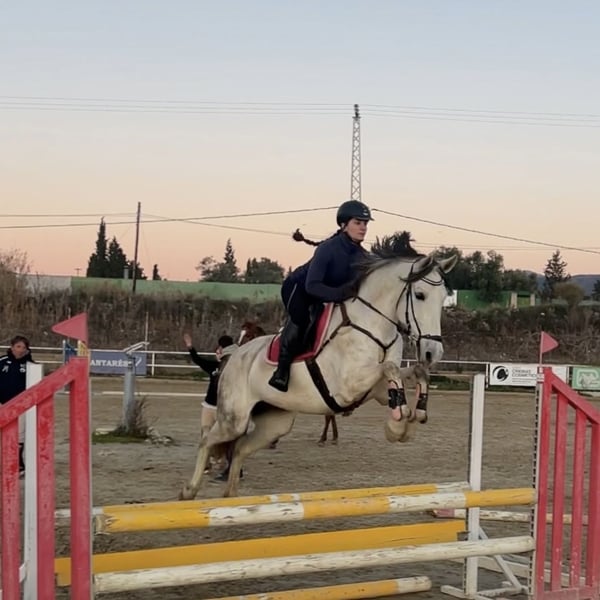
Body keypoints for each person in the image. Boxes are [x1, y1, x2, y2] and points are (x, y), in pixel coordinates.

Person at [268, 199, 373, 392]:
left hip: (325, 294)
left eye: (365, 223)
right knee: (303, 319)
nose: (363, 227)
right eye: (358, 223)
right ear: (344, 225)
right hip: (298, 289)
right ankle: (281, 371)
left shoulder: (363, 256)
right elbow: (313, 286)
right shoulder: (327, 249)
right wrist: (342, 293)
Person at [183, 333, 240, 477]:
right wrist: (190, 347)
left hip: (224, 408)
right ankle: (206, 463)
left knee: (224, 437)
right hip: (209, 406)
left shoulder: (234, 367)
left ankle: (224, 462)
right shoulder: (213, 366)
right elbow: (198, 360)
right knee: (205, 434)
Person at [0, 335, 35, 476]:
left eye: (23, 347)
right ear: (12, 347)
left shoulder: (31, 365)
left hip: (21, 406)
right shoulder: (2, 361)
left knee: (19, 436)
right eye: (18, 346)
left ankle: (18, 465)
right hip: (2, 404)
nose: (20, 350)